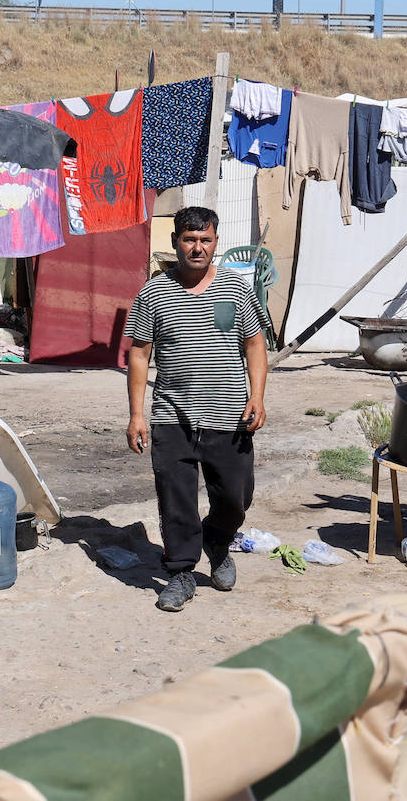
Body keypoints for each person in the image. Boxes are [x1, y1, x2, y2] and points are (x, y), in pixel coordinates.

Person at [125, 206, 268, 611]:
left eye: (205, 239)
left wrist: (257, 395)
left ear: (216, 243)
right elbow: (139, 354)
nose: (197, 247)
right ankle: (180, 571)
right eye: (189, 239)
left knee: (236, 497)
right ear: (175, 243)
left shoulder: (237, 289)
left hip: (230, 415)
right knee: (176, 499)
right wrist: (137, 413)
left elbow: (254, 344)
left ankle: (218, 540)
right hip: (172, 414)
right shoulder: (153, 292)